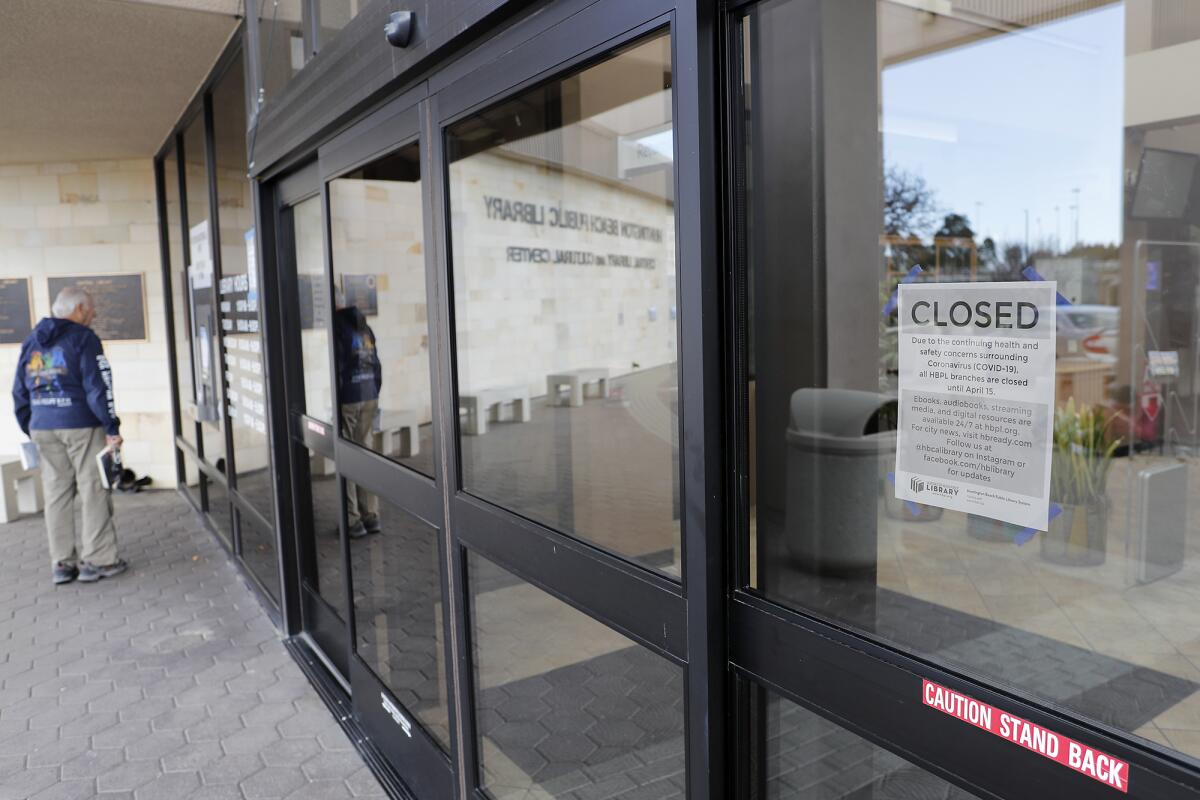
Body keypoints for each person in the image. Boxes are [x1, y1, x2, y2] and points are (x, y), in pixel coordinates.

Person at [13, 286, 127, 585]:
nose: (94, 314)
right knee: (93, 489)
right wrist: (111, 427)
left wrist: (32, 424)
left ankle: (62, 564)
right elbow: (98, 386)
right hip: (81, 424)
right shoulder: (84, 339)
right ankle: (98, 560)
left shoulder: (31, 341)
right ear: (78, 309)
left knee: (56, 493)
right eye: (90, 309)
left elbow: (19, 390)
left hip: (42, 425)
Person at [334, 292, 383, 538]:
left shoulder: (337, 327)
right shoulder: (365, 327)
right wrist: (374, 391)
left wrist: (338, 397)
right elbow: (377, 364)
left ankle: (353, 520)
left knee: (347, 456)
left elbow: (338, 367)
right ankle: (371, 516)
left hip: (349, 398)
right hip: (369, 393)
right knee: (366, 453)